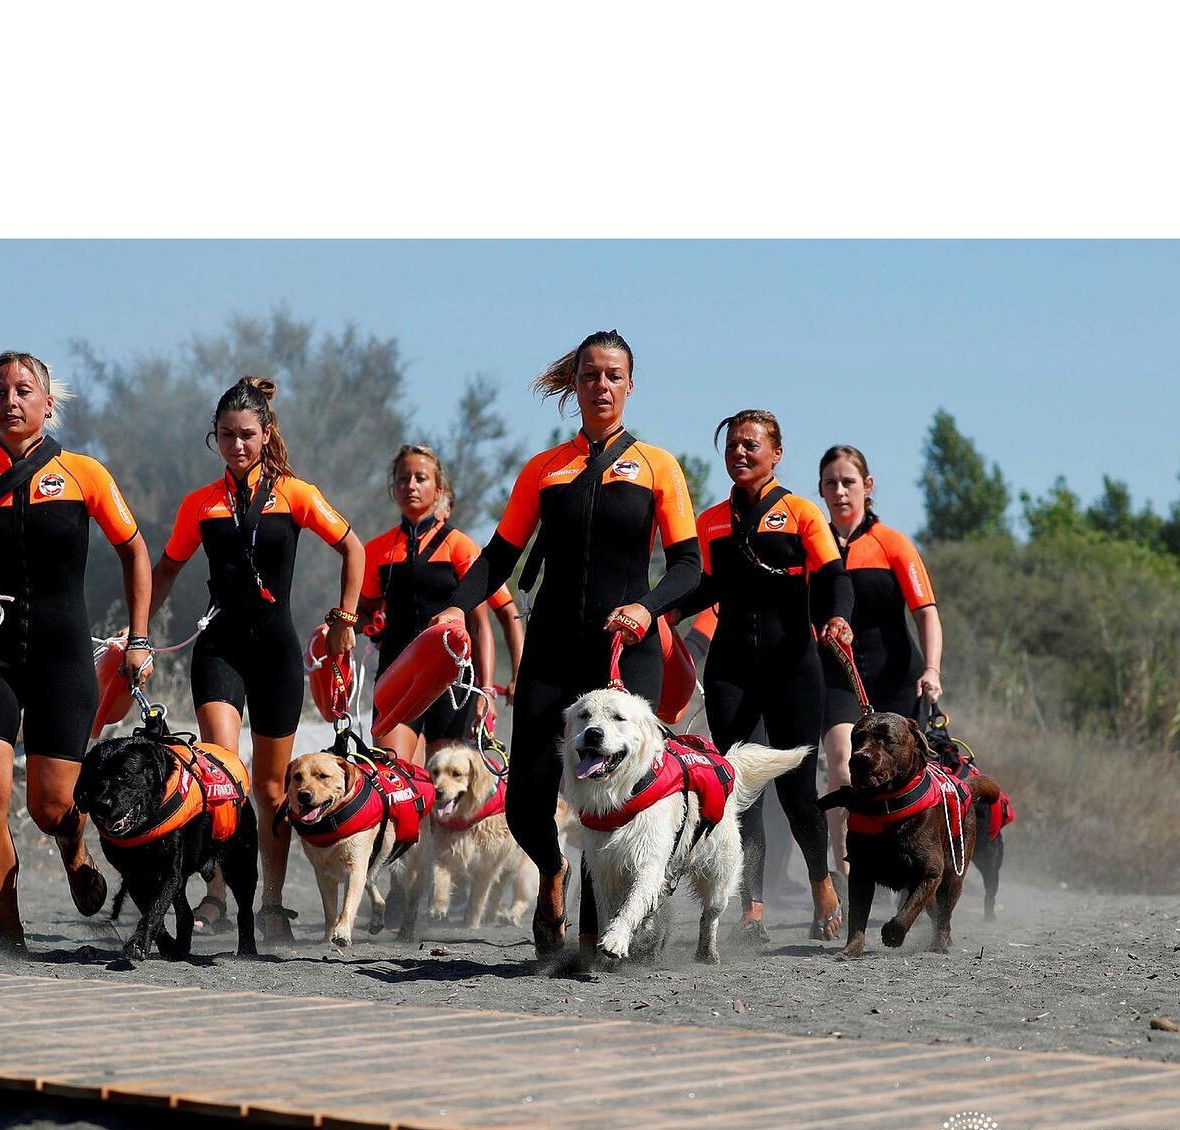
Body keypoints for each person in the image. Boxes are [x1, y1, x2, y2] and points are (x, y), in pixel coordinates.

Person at [432, 329, 700, 955]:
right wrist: (453, 608)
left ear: (630, 386)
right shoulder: (544, 468)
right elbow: (499, 554)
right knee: (526, 794)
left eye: (613, 375)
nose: (601, 386)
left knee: (620, 798)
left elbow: (689, 565)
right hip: (551, 648)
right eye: (590, 375)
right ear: (574, 385)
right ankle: (552, 872)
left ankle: (597, 932)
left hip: (626, 651)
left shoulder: (659, 466)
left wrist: (648, 606)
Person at [0, 350, 153, 947]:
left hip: (62, 658)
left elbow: (135, 551)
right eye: (0, 392)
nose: (11, 401)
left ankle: (72, 850)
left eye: (23, 390)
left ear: (48, 402)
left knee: (50, 806)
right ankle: (10, 938)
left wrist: (139, 638)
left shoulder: (85, 474)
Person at [148, 376, 364, 941]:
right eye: (226, 436)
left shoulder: (296, 494)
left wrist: (345, 619)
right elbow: (167, 567)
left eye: (247, 435)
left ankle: (269, 904)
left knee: (271, 790)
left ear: (266, 435)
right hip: (219, 650)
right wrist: (137, 628)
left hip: (276, 654)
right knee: (223, 772)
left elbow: (352, 547)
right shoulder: (201, 504)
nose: (237, 445)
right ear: (214, 438)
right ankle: (218, 894)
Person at [667, 409, 854, 944]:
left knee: (796, 791)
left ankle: (821, 879)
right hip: (731, 671)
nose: (740, 454)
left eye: (751, 445)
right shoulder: (711, 521)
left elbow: (835, 578)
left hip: (794, 668)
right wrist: (663, 613)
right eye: (732, 446)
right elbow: (701, 588)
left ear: (776, 454)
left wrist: (838, 616)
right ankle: (751, 904)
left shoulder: (800, 514)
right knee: (737, 788)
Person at [817, 443, 943, 877]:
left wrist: (932, 670)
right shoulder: (815, 544)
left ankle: (913, 864)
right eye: (831, 483)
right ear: (821, 489)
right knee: (840, 763)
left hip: (896, 677)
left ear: (867, 486)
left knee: (903, 774)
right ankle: (847, 874)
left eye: (848, 482)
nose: (840, 491)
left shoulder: (891, 543)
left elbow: (926, 612)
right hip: (838, 677)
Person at [360, 443, 524, 762]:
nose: (410, 485)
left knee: (446, 795)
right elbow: (364, 609)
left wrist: (496, 685)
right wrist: (370, 625)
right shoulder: (377, 550)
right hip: (398, 677)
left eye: (420, 478)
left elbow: (499, 616)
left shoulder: (460, 546)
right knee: (392, 776)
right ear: (393, 487)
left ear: (438, 490)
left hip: (454, 684)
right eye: (402, 478)